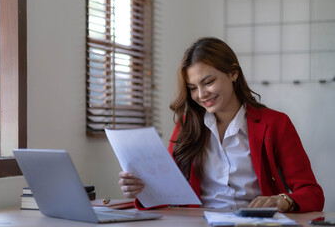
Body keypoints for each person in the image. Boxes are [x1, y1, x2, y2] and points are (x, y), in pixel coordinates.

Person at [118, 37, 324, 212]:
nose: (201, 94)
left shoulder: (276, 123)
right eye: (192, 87)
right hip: (200, 222)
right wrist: (142, 189)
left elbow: (312, 194)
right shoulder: (187, 126)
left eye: (208, 82)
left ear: (233, 73)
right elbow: (167, 193)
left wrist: (282, 200)